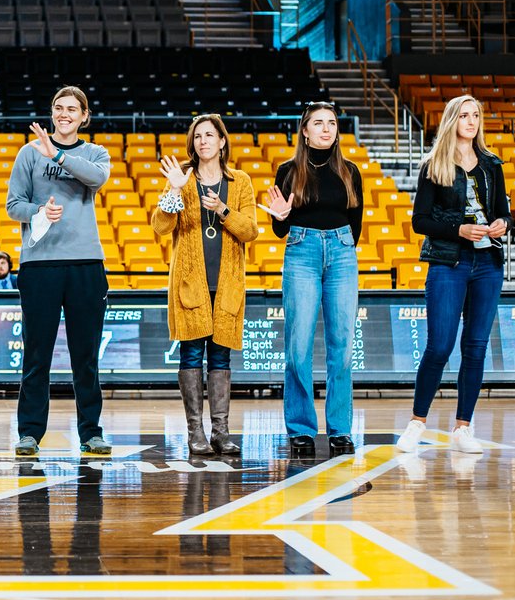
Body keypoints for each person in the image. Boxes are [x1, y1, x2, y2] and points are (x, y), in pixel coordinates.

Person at [397, 95, 507, 456]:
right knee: (440, 346)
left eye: (476, 114)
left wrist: (501, 225)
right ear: (451, 120)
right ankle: (417, 422)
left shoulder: (492, 164)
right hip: (448, 263)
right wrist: (459, 229)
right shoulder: (434, 165)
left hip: (487, 265)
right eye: (464, 115)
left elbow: (504, 212)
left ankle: (463, 428)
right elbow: (420, 221)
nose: (471, 121)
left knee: (475, 348)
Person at [6, 86, 112, 457]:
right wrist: (37, 211)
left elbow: (97, 180)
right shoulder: (28, 152)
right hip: (39, 265)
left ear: (84, 116)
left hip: (86, 264)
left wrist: (60, 157)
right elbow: (12, 206)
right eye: (58, 107)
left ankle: (91, 432)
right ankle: (30, 432)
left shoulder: (95, 152)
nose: (64, 113)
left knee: (86, 356)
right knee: (37, 354)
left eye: (72, 109)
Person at [152, 115, 258, 457]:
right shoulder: (182, 178)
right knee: (192, 355)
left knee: (221, 358)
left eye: (210, 135)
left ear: (222, 142)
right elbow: (161, 226)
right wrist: (174, 189)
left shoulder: (239, 181)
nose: (203, 141)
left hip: (225, 285)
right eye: (198, 136)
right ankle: (195, 432)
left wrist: (223, 209)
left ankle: (221, 432)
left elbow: (250, 231)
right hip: (190, 284)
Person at [265, 101, 364, 457]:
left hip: (341, 253)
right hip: (301, 252)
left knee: (342, 345)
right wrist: (280, 217)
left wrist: (338, 244)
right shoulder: (288, 171)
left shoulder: (351, 171)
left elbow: (356, 225)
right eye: (318, 123)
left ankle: (340, 428)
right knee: (298, 346)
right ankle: (301, 429)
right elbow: (279, 228)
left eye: (332, 123)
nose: (326, 128)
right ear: (304, 131)